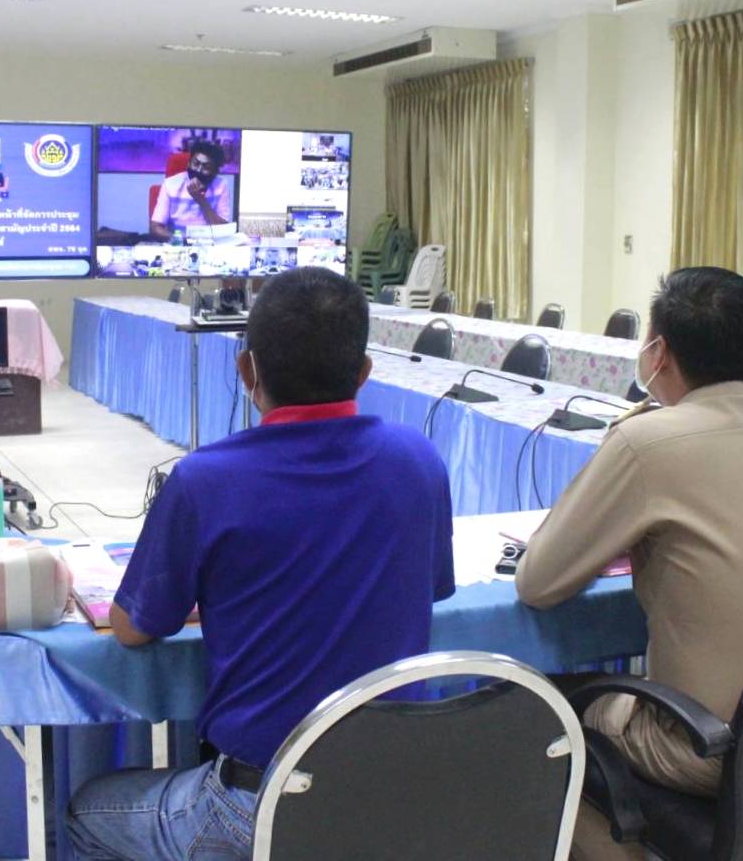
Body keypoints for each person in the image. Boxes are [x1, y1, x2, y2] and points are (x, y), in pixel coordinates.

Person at [67, 267, 455, 860]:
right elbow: (425, 589)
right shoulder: (420, 460)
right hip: (393, 799)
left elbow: (131, 626)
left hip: (258, 805)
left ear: (246, 369)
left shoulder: (204, 480)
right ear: (365, 372)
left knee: (88, 812)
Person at [514, 268, 743, 861]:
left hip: (699, 743)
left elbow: (538, 583)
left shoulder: (648, 442)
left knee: (531, 712)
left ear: (658, 352)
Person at [149, 140, 231, 240]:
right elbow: (155, 227)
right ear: (189, 163)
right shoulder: (170, 185)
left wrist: (200, 200)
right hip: (178, 243)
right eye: (195, 163)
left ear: (215, 171)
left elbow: (223, 229)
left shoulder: (221, 186)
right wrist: (180, 240)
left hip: (210, 243)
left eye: (206, 167)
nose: (198, 170)